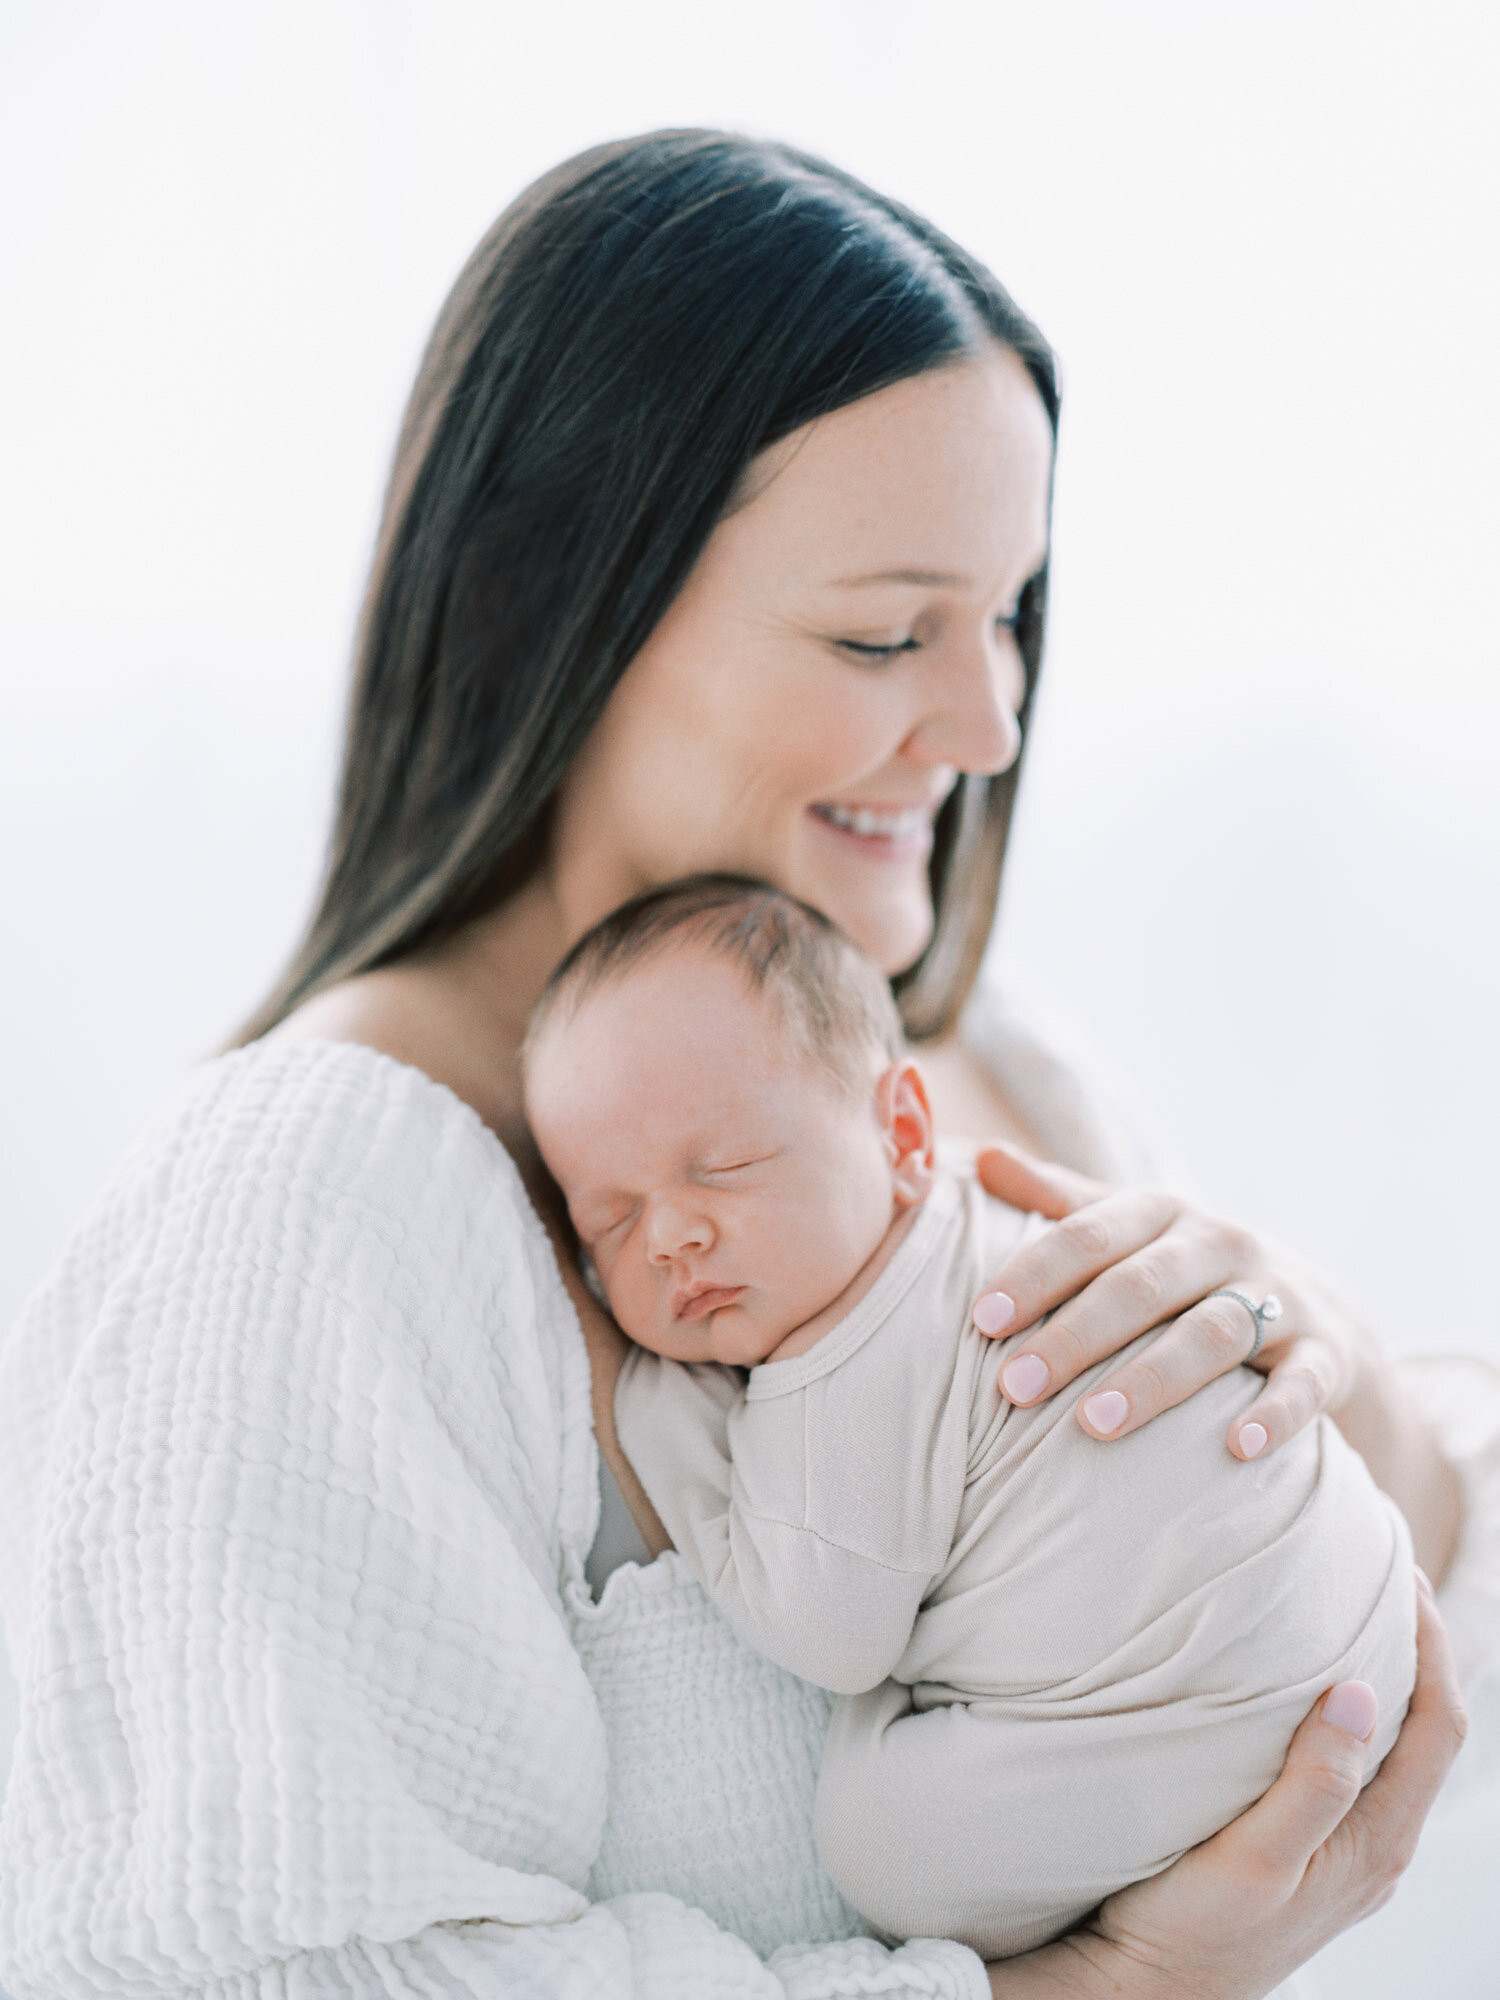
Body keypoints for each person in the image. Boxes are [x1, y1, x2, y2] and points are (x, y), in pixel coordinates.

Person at [0, 129, 1487, 2000]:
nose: (990, 722)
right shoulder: (318, 1210)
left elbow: (1393, 1593)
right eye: (886, 632)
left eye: (1010, 616)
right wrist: (1117, 1991)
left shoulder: (990, 1065)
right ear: (561, 604)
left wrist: (1321, 1363)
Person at [521, 872, 1418, 1961]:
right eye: (608, 1222)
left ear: (901, 1129)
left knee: (880, 1846)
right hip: (1365, 1602)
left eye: (724, 1166)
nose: (669, 1236)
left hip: (1209, 1714)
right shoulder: (981, 1208)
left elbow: (829, 1638)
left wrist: (667, 1413)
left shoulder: (837, 1350)